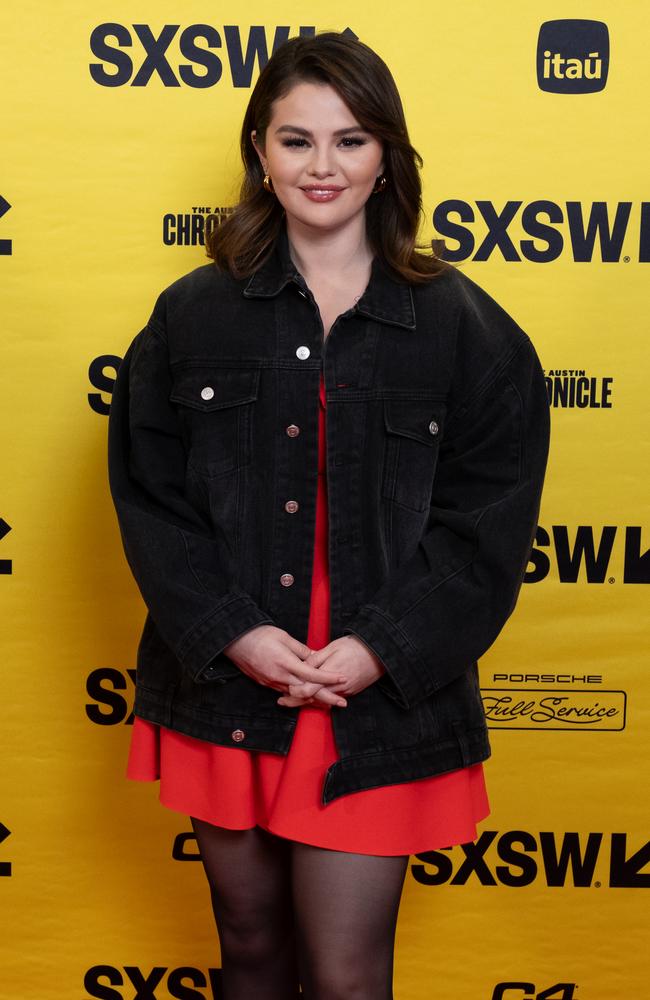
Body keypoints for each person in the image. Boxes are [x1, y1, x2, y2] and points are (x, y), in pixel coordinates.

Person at [107, 31, 550, 1000]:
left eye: (349, 140)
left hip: (374, 699)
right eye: (296, 139)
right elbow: (151, 498)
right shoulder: (190, 315)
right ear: (258, 152)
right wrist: (235, 633)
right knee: (251, 947)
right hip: (230, 684)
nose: (322, 166)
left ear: (386, 155)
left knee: (348, 976)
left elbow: (487, 526)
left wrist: (380, 647)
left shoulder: (464, 328)